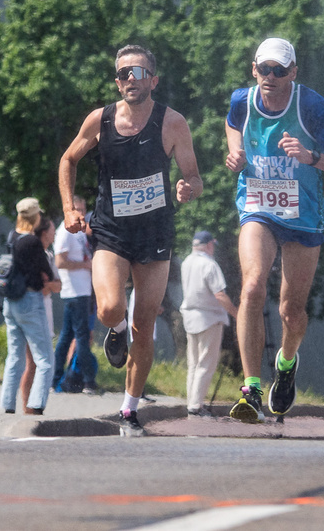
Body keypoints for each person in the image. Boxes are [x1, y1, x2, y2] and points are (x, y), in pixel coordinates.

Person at [58, 45, 202, 436]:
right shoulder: (100, 120)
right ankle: (114, 329)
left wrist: (188, 187)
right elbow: (68, 160)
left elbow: (193, 174)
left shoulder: (172, 123)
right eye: (123, 73)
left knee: (144, 324)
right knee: (108, 309)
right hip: (111, 231)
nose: (130, 80)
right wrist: (70, 209)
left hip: (154, 234)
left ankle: (129, 409)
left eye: (138, 72)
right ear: (117, 81)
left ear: (153, 80)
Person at [224, 37, 324, 422]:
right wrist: (235, 152)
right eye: (264, 69)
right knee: (251, 286)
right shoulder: (241, 100)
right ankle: (250, 389)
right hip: (258, 206)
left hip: (302, 216)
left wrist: (310, 156)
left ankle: (286, 363)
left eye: (279, 70)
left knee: (291, 312)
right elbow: (233, 125)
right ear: (254, 70)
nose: (271, 76)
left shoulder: (311, 107)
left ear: (293, 73)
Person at [0, 198, 55, 415]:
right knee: (45, 360)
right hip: (30, 301)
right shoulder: (32, 242)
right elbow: (47, 272)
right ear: (35, 217)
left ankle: (7, 405)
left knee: (14, 357)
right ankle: (36, 405)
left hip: (10, 301)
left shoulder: (12, 237)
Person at [180, 231, 238, 417]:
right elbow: (219, 294)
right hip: (209, 319)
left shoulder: (186, 262)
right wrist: (237, 314)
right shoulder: (209, 264)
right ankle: (196, 407)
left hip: (190, 317)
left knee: (193, 364)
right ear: (209, 245)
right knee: (206, 364)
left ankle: (192, 404)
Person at [52, 195, 97, 394]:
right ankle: (88, 381)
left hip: (82, 290)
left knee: (67, 335)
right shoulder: (65, 232)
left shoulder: (79, 232)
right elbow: (60, 262)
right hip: (75, 291)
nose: (80, 214)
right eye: (76, 209)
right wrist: (85, 265)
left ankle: (55, 378)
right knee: (81, 335)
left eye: (82, 210)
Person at [18, 216, 61, 414]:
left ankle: (32, 406)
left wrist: (48, 285)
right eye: (52, 231)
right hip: (31, 310)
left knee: (38, 362)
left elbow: (56, 285)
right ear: (44, 233)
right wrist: (46, 285)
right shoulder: (29, 254)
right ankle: (28, 407)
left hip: (45, 312)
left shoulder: (49, 256)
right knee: (33, 362)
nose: (54, 235)